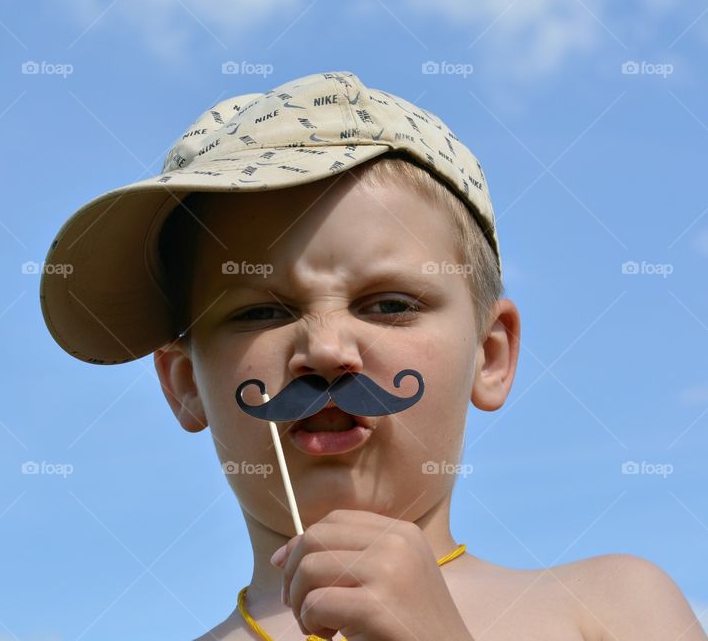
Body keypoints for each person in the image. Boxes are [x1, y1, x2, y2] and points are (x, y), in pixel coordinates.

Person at [39, 71, 706, 640]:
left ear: (491, 353)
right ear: (184, 382)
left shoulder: (612, 610)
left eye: (389, 304)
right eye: (260, 311)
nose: (325, 350)